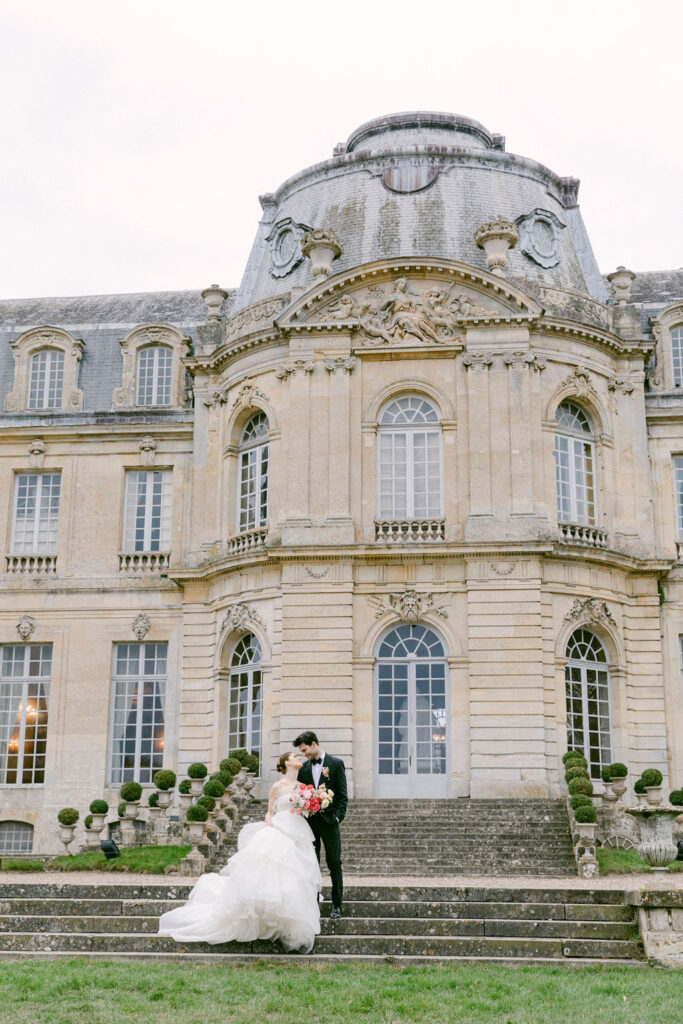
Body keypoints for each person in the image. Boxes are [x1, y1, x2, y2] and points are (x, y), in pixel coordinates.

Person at [158, 752, 321, 952]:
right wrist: (271, 825)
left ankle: (287, 919)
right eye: (295, 756)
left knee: (296, 874)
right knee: (272, 869)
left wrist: (308, 805)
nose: (298, 758)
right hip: (280, 828)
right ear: (286, 763)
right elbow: (270, 812)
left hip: (298, 829)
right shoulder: (277, 786)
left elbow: (305, 809)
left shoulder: (303, 787)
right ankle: (266, 916)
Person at [294, 730, 348, 918]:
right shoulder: (304, 769)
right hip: (310, 824)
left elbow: (342, 796)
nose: (304, 754)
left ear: (314, 744)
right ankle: (313, 903)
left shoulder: (336, 764)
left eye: (305, 750)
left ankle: (337, 905)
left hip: (329, 822)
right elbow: (300, 795)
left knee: (334, 862)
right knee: (312, 863)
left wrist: (337, 818)